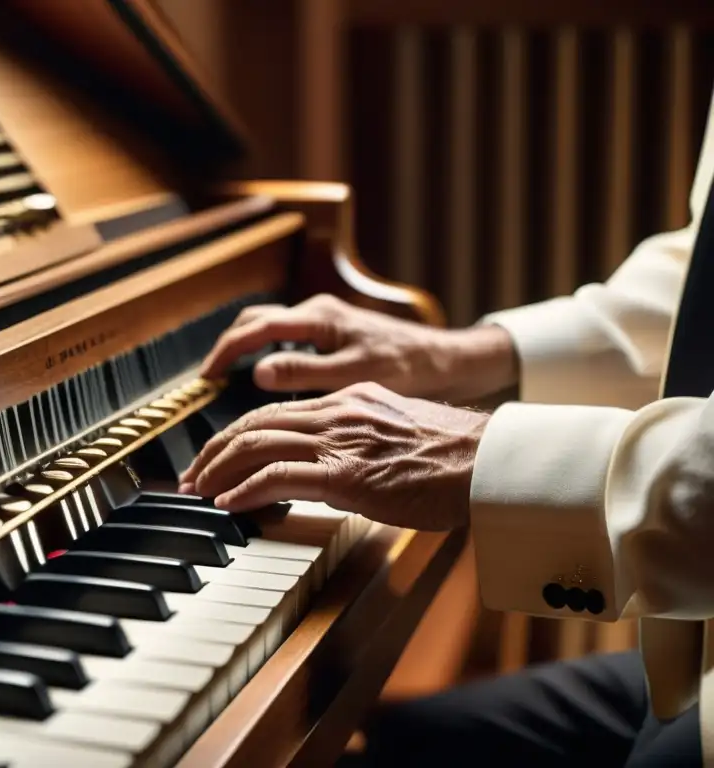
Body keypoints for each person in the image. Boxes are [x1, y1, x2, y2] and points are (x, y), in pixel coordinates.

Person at [178, 90, 714, 767]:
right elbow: (703, 274)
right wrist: (468, 354)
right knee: (386, 751)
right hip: (691, 653)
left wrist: (484, 458)